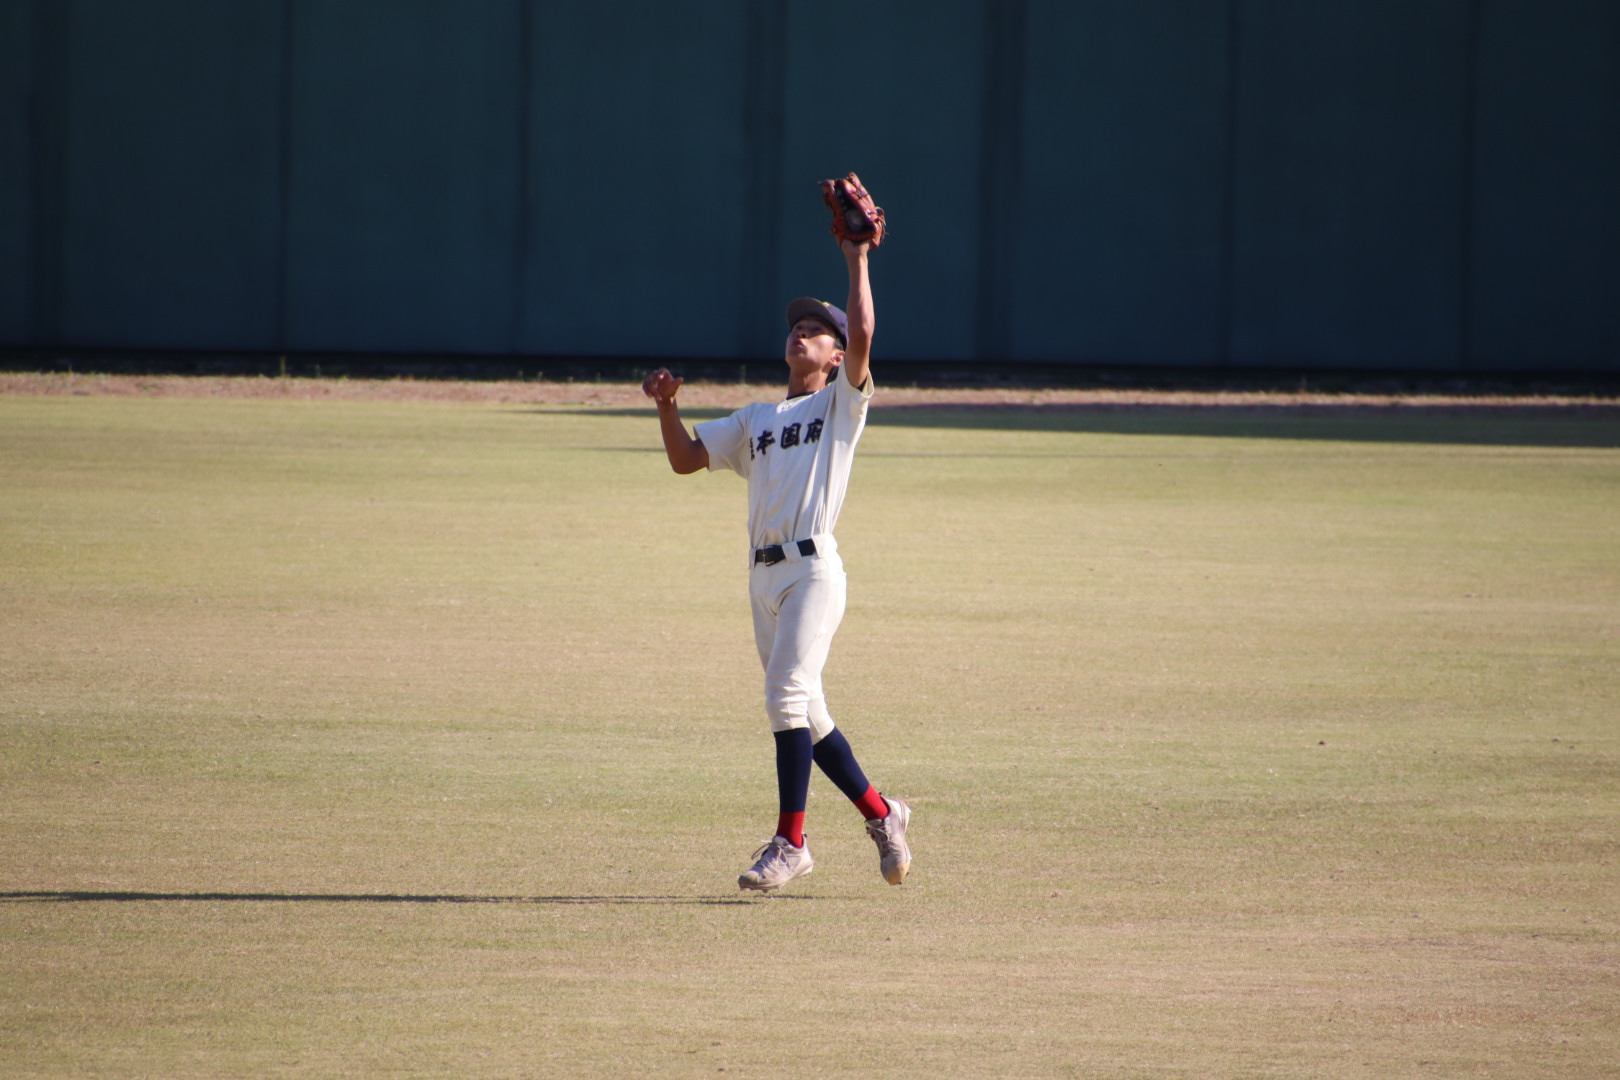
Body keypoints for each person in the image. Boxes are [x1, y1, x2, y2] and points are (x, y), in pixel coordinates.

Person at [641, 232, 911, 893]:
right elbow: (686, 459)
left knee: (784, 696)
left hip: (814, 571)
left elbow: (868, 329)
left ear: (838, 354)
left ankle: (792, 842)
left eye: (817, 331)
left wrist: (858, 258)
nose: (802, 335)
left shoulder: (842, 403)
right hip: (762, 579)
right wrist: (668, 407)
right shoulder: (756, 417)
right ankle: (884, 814)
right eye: (797, 328)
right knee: (807, 711)